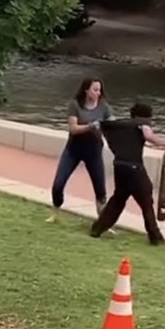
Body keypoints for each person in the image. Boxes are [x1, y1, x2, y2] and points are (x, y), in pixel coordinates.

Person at [90, 103, 165, 245]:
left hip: (119, 165)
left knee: (118, 199)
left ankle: (97, 229)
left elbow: (97, 126)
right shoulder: (141, 124)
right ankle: (155, 236)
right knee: (146, 199)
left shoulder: (121, 126)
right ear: (146, 117)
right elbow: (148, 135)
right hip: (134, 167)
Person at [47, 77, 112, 223]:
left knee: (100, 188)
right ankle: (55, 212)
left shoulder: (104, 107)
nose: (98, 93)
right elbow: (73, 129)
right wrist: (90, 126)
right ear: (86, 90)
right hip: (73, 150)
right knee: (58, 184)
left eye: (99, 90)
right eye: (95, 89)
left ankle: (102, 221)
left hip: (93, 151)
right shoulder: (75, 105)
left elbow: (110, 124)